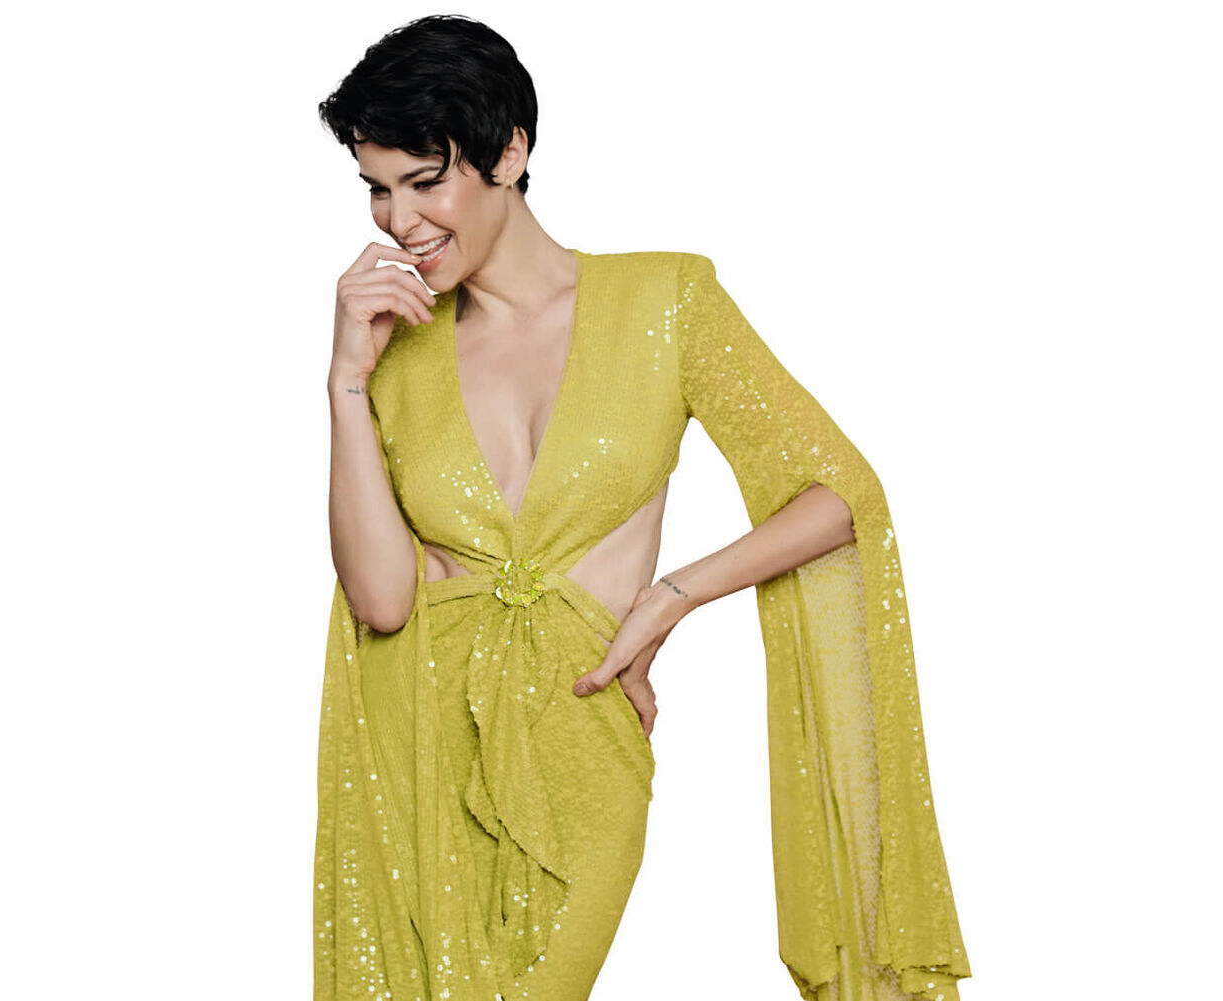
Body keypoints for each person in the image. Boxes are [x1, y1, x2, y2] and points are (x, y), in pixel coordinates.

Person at [313, 15, 971, 1001]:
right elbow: (381, 601)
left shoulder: (666, 300)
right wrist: (344, 386)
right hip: (414, 753)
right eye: (377, 187)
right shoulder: (394, 345)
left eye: (423, 181)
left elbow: (841, 496)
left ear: (509, 154)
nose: (398, 221)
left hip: (581, 741)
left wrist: (672, 595)